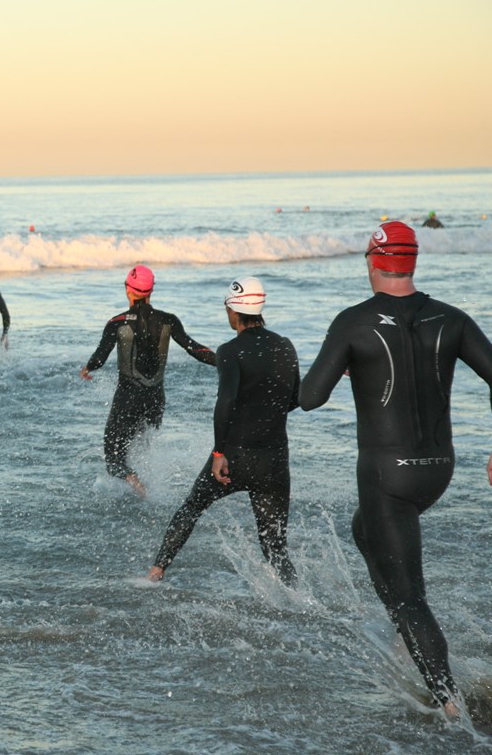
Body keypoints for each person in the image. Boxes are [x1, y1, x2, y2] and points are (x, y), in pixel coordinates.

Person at [299, 221, 492, 719]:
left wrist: (344, 365)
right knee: (365, 530)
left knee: (411, 594)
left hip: (389, 474)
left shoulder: (353, 322)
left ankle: (451, 707)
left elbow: (310, 397)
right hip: (439, 470)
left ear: (372, 260)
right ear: (413, 261)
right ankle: (409, 633)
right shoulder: (452, 318)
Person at [148, 277, 300, 586]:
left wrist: (219, 452)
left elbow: (226, 403)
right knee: (275, 547)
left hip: (235, 457)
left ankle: (155, 573)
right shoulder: (285, 345)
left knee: (191, 507)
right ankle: (297, 599)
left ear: (233, 309)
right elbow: (295, 399)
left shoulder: (231, 351)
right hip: (273, 460)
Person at [79, 265, 216, 498]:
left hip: (128, 398)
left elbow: (100, 357)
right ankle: (147, 488)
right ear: (151, 290)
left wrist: (87, 368)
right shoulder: (169, 320)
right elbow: (194, 348)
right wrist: (224, 361)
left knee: (113, 458)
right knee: (142, 446)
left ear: (127, 289)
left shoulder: (117, 322)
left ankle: (139, 488)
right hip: (155, 399)